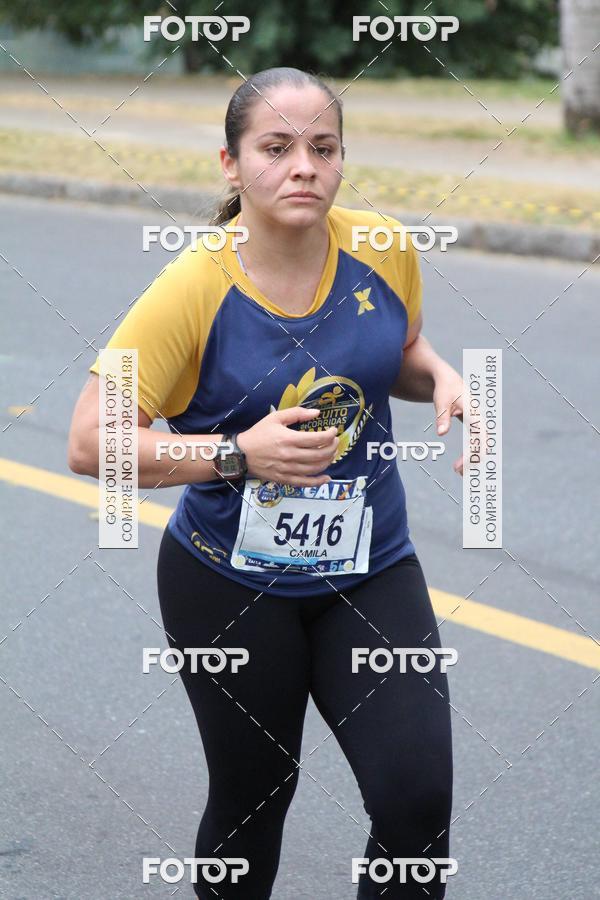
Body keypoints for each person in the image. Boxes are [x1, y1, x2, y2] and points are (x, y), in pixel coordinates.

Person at [68, 67, 465, 899]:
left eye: (323, 149)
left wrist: (446, 378)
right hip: (230, 586)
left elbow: (393, 355)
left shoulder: (384, 248)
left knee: (416, 799)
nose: (304, 169)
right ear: (230, 162)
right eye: (277, 148)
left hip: (370, 569)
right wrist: (236, 453)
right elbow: (87, 443)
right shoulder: (192, 287)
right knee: (254, 803)